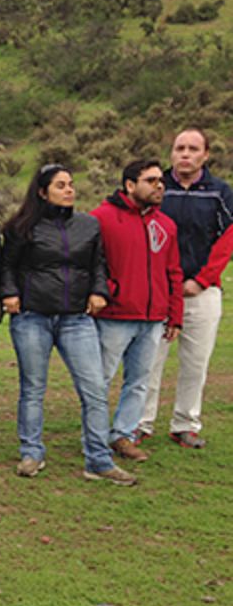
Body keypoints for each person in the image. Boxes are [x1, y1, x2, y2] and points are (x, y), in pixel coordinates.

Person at [0, 164, 135, 485]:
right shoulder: (22, 228)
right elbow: (7, 266)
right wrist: (9, 294)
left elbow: (98, 264)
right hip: (32, 317)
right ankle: (32, 453)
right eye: (61, 185)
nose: (69, 190)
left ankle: (99, 460)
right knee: (33, 389)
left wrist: (99, 291)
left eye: (71, 184)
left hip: (77, 318)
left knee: (94, 389)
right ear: (43, 192)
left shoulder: (88, 225)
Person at [141, 129, 233, 449]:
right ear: (171, 153)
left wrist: (203, 279)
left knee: (196, 361)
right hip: (158, 291)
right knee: (149, 359)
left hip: (200, 291)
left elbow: (227, 240)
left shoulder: (220, 192)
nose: (185, 154)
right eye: (179, 147)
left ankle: (185, 424)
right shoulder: (155, 187)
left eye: (193, 149)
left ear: (205, 155)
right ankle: (140, 423)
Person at [93, 161, 183, 463]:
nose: (159, 186)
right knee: (100, 380)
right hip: (114, 317)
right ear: (130, 185)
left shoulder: (166, 225)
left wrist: (175, 314)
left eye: (161, 181)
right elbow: (91, 265)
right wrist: (108, 290)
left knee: (139, 380)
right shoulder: (101, 219)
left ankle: (124, 435)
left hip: (153, 318)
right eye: (151, 180)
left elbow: (173, 271)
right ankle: (93, 438)